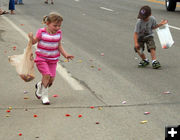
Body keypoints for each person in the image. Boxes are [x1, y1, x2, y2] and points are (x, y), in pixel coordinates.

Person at [28, 12, 74, 105]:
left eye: (59, 26)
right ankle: (44, 96)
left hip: (53, 60)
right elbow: (33, 42)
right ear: (47, 23)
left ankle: (39, 85)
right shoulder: (41, 32)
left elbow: (59, 45)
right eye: (55, 25)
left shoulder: (59, 33)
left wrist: (65, 55)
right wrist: (31, 38)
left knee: (51, 79)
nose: (57, 28)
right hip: (41, 59)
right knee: (47, 75)